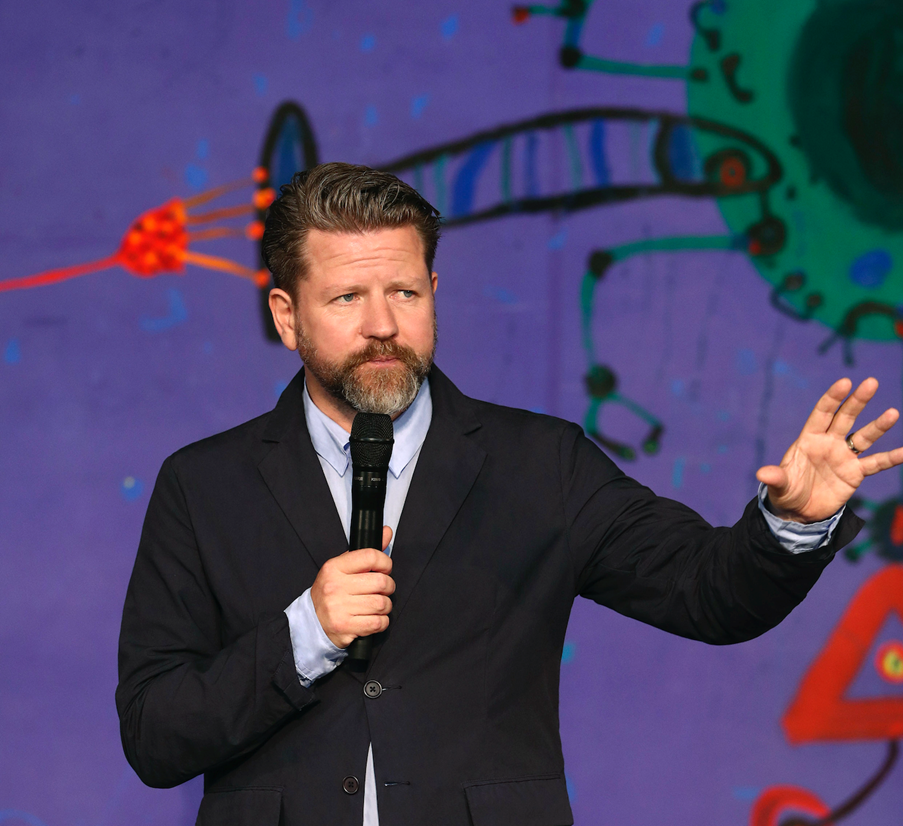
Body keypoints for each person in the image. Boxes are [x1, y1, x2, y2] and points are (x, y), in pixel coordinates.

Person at [116, 163, 903, 826]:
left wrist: (791, 522)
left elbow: (711, 595)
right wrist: (305, 634)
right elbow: (155, 735)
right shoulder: (204, 484)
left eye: (405, 292)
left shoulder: (540, 463)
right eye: (347, 298)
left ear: (433, 291)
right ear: (287, 317)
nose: (383, 324)